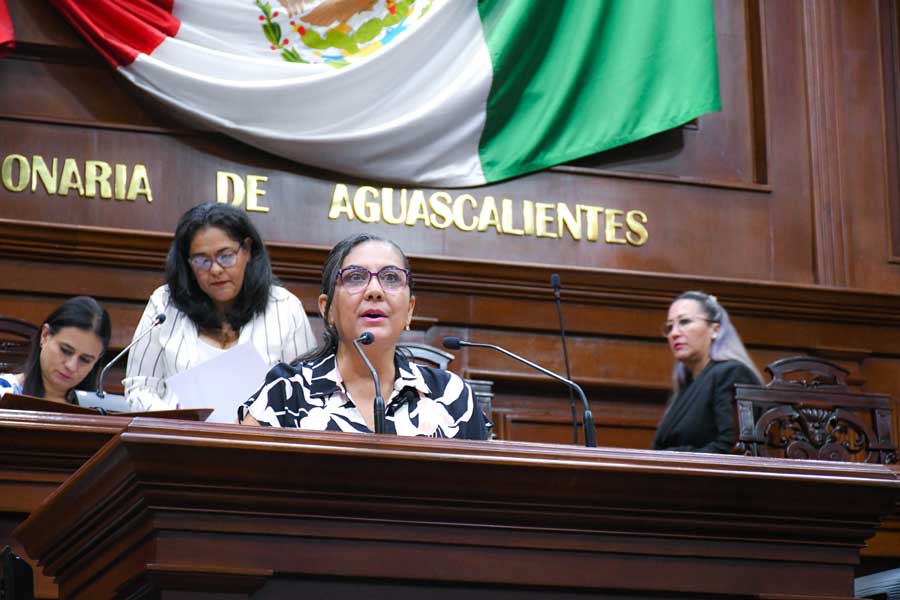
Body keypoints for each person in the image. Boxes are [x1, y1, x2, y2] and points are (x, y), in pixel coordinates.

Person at [239, 233, 489, 440]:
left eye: (391, 278)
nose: (374, 291)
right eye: (355, 277)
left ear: (410, 310)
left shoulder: (452, 396)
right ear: (327, 309)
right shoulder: (286, 392)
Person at [124, 203, 316, 411]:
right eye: (201, 260)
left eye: (225, 256)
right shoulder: (164, 305)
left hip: (260, 440)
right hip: (179, 438)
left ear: (248, 250)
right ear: (188, 263)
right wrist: (177, 422)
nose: (215, 269)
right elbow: (139, 388)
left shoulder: (285, 308)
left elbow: (306, 393)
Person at [653, 290, 764, 454]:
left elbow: (731, 449)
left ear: (715, 330)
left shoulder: (732, 373)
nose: (674, 333)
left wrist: (673, 458)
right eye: (669, 327)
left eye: (684, 322)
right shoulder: (686, 386)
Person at [0, 296, 111, 403]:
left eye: (85, 359)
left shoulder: (103, 408)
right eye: (65, 350)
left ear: (98, 358)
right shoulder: (3, 392)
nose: (71, 366)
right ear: (45, 335)